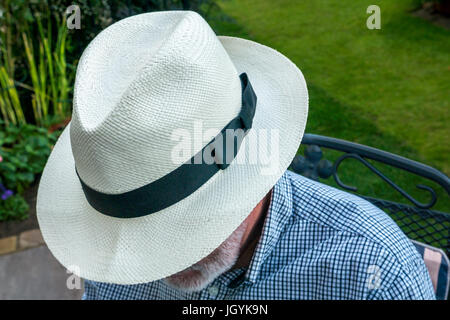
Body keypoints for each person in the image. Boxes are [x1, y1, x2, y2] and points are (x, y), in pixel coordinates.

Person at [37, 11, 435, 300]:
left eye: (184, 227)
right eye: (141, 238)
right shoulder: (108, 261)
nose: (162, 265)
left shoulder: (375, 273)